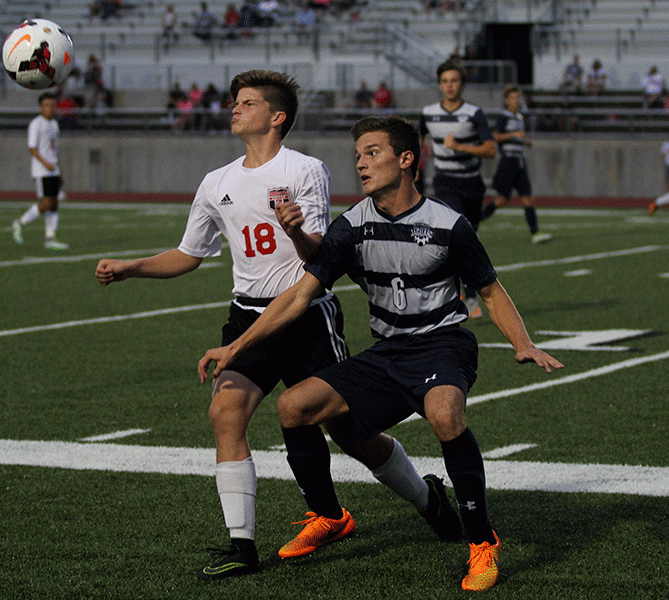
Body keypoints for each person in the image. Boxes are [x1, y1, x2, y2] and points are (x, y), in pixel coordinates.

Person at [95, 70, 461, 581]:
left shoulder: (305, 169)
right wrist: (132, 267)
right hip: (247, 312)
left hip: (305, 314)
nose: (234, 109)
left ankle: (427, 498)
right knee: (226, 412)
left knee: (349, 432)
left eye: (246, 103)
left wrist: (296, 231)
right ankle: (243, 545)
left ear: (277, 115)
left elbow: (318, 257)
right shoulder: (215, 182)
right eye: (234, 102)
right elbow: (189, 253)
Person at [199, 114, 565, 592]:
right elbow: (298, 295)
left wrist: (524, 344)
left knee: (444, 415)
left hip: (442, 344)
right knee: (294, 407)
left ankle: (482, 543)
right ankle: (329, 517)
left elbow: (490, 291)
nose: (361, 164)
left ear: (406, 159)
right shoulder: (351, 227)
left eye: (373, 153)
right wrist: (238, 345)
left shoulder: (448, 224)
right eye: (358, 156)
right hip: (388, 351)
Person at [418, 59, 495, 319]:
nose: (450, 86)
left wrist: (459, 147)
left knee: (470, 236)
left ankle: (469, 290)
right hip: (445, 182)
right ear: (439, 85)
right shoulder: (428, 112)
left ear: (462, 85)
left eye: (454, 81)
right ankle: (462, 295)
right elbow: (416, 141)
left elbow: (491, 149)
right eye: (445, 81)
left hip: (472, 183)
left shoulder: (473, 113)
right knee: (456, 233)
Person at [481, 85, 552, 244]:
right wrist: (514, 134)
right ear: (506, 100)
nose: (515, 101)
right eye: (512, 98)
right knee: (502, 200)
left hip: (520, 160)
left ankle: (535, 232)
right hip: (508, 161)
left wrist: (524, 143)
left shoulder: (520, 117)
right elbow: (495, 136)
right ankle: (474, 223)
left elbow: (515, 138)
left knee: (527, 198)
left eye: (517, 98)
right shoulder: (504, 117)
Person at [11, 92, 68, 250]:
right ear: (41, 107)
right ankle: (20, 222)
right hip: (42, 171)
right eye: (46, 105)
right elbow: (32, 148)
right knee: (47, 203)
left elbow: (54, 151)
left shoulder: (54, 124)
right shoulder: (36, 124)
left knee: (55, 204)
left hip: (54, 170)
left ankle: (50, 238)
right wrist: (46, 164)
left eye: (52, 105)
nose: (50, 108)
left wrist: (59, 170)